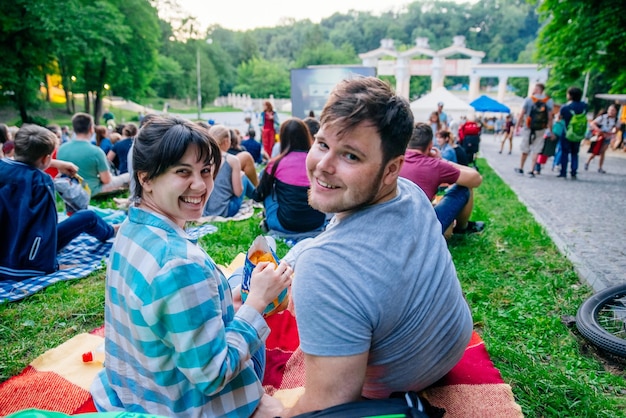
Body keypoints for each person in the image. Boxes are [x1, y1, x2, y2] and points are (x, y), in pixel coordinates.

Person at [278, 77, 473, 417]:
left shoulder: (323, 268)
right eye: (323, 144)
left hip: (397, 385)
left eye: (350, 155)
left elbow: (328, 408)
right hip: (450, 351)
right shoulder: (411, 192)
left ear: (391, 169)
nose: (324, 165)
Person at [89, 115, 292, 417]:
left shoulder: (130, 228)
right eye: (182, 172)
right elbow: (213, 376)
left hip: (133, 391)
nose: (200, 185)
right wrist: (257, 303)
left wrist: (233, 301)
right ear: (145, 178)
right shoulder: (180, 263)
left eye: (206, 171)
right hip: (182, 406)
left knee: (237, 279)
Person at [0, 124, 116, 281]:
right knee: (87, 216)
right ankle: (111, 231)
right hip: (27, 262)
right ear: (46, 158)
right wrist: (51, 266)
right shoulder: (41, 181)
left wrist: (56, 163)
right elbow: (45, 229)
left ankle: (110, 230)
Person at [401, 122, 484, 237]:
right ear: (430, 146)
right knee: (465, 188)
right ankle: (461, 228)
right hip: (423, 231)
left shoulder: (395, 160)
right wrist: (441, 161)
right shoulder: (434, 165)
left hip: (397, 226)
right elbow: (476, 179)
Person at [252, 117, 326, 235]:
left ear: (282, 138)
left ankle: (268, 221)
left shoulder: (275, 164)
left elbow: (259, 195)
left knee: (266, 181)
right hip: (317, 223)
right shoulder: (317, 162)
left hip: (285, 225)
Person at [57, 112, 129, 197]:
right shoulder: (96, 151)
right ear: (91, 128)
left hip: (69, 189)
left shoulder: (61, 149)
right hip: (92, 191)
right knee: (128, 176)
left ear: (74, 129)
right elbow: (106, 180)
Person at [203, 125, 255, 217]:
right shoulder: (232, 160)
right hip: (225, 211)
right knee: (243, 176)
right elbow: (238, 192)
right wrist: (240, 177)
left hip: (205, 211)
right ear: (226, 141)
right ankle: (257, 196)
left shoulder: (204, 159)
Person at [513, 83, 554, 177]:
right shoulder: (549, 100)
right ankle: (532, 170)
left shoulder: (529, 99)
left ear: (536, 89)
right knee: (536, 149)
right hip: (541, 128)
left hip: (528, 127)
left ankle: (521, 167)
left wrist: (517, 126)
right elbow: (550, 117)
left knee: (525, 148)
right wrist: (550, 130)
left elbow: (522, 114)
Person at [558, 86, 587, 179]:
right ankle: (574, 171)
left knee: (565, 152)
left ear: (570, 95)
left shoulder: (565, 107)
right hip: (578, 133)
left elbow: (560, 118)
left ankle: (563, 172)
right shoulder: (584, 106)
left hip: (567, 132)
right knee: (575, 153)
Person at [585, 104, 619, 174]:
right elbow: (592, 123)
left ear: (616, 111)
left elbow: (616, 130)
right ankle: (588, 162)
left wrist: (612, 133)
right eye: (610, 110)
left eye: (613, 110)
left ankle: (600, 167)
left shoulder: (616, 120)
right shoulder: (603, 117)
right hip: (600, 136)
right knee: (596, 151)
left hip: (608, 137)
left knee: (602, 152)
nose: (611, 112)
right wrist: (598, 130)